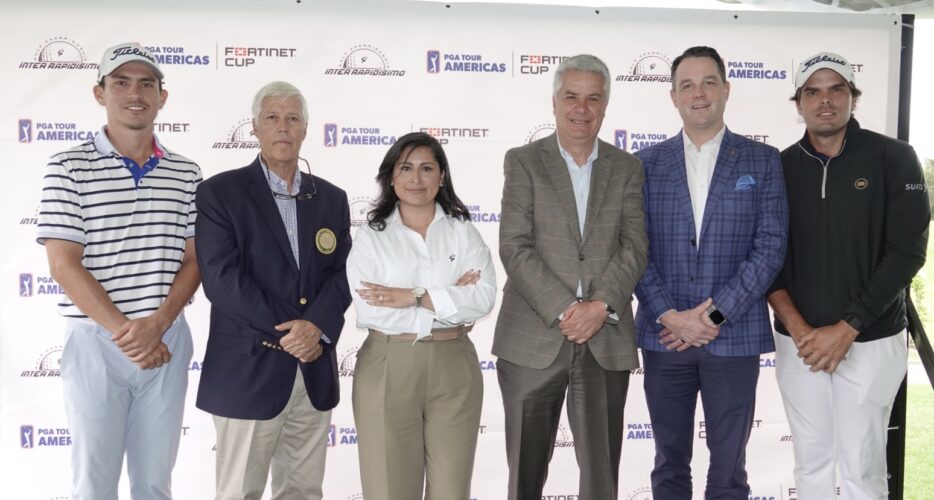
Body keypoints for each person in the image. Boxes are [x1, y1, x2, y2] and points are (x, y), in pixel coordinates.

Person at [36, 42, 201, 499]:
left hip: (165, 341)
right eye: (121, 82)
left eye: (146, 84)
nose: (135, 93)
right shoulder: (67, 166)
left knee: (154, 484)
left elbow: (195, 259)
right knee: (94, 485)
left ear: (162, 97)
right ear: (100, 93)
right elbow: (63, 264)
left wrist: (157, 326)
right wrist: (130, 335)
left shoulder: (186, 173)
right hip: (96, 342)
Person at [767, 52, 929, 499]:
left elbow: (907, 251)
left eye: (836, 89)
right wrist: (800, 330)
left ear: (852, 97)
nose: (825, 100)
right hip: (799, 344)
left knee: (863, 467)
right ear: (798, 102)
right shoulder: (778, 167)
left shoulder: (894, 157)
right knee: (811, 464)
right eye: (813, 92)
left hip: (871, 339)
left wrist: (848, 327)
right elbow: (766, 257)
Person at [633, 46, 787, 499]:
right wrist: (671, 316)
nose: (698, 94)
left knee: (729, 469)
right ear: (673, 96)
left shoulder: (763, 160)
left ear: (726, 89)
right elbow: (633, 249)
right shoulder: (643, 164)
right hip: (666, 338)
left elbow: (770, 248)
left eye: (708, 83)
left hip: (733, 338)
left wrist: (712, 317)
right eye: (687, 85)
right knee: (668, 464)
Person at [493, 53, 648, 500]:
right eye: (571, 97)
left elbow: (635, 246)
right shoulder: (523, 161)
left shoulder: (627, 167)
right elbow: (514, 245)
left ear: (605, 106)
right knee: (524, 479)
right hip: (532, 338)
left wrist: (600, 307)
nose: (582, 108)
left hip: (605, 337)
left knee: (602, 481)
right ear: (555, 101)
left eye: (593, 98)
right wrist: (566, 309)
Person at [194, 81, 351, 500]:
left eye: (293, 118)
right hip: (248, 371)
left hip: (312, 370)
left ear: (305, 129)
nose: (283, 126)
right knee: (239, 493)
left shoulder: (332, 198)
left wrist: (315, 328)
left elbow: (342, 274)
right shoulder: (219, 193)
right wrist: (297, 331)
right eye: (272, 118)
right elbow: (222, 280)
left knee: (303, 492)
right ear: (255, 127)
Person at [346, 132, 497, 500]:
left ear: (441, 176)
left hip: (454, 367)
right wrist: (449, 301)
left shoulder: (463, 233)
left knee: (452, 492)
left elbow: (483, 298)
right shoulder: (371, 237)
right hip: (388, 364)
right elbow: (371, 309)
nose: (416, 178)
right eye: (406, 168)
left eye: (426, 168)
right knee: (389, 490)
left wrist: (414, 297)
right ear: (391, 177)